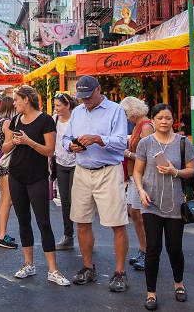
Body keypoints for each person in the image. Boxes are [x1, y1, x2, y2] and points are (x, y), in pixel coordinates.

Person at [62, 75, 130, 292]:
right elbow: (66, 138)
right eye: (81, 97)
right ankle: (88, 266)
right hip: (82, 170)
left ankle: (120, 271)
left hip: (108, 171)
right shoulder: (78, 112)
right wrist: (70, 146)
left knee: (117, 223)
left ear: (99, 90)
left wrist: (99, 139)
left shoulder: (115, 110)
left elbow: (121, 141)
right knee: (81, 220)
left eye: (88, 96)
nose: (85, 101)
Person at [4, 85, 70, 286]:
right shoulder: (16, 120)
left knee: (43, 222)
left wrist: (29, 142)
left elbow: (50, 151)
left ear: (26, 99)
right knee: (23, 220)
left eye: (16, 100)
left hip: (37, 176)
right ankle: (28, 264)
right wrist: (15, 142)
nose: (14, 103)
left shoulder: (45, 120)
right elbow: (5, 147)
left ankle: (52, 269)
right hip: (16, 175)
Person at [132, 103, 194, 310]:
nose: (164, 122)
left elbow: (191, 171)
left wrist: (174, 172)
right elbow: (138, 172)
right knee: (153, 249)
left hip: (175, 203)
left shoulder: (183, 143)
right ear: (154, 120)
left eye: (167, 118)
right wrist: (140, 190)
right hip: (151, 203)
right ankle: (151, 293)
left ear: (173, 119)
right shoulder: (146, 143)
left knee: (175, 248)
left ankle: (179, 284)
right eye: (160, 118)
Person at [120, 96, 154, 272]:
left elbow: (149, 156)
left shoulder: (146, 127)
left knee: (140, 214)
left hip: (142, 176)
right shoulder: (139, 126)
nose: (125, 117)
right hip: (135, 175)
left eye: (126, 113)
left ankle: (148, 251)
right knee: (134, 212)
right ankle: (144, 249)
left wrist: (128, 154)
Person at [53, 92, 79, 251]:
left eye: (58, 106)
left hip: (77, 163)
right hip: (60, 163)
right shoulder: (54, 120)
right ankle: (68, 235)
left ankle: (84, 231)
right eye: (55, 106)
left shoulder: (77, 120)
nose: (55, 109)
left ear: (67, 106)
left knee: (75, 199)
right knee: (65, 201)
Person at [0, 96, 18, 249]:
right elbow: (6, 147)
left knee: (4, 200)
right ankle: (2, 235)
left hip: (2, 163)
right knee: (7, 201)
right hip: (8, 163)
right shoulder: (8, 123)